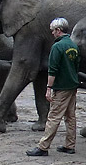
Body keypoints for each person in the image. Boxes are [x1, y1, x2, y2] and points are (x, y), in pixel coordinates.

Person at [26, 17, 80, 157]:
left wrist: (49, 88)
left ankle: (43, 147)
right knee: (70, 117)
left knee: (53, 117)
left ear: (58, 30)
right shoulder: (73, 45)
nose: (52, 34)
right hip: (72, 86)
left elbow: (52, 69)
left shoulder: (57, 47)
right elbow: (76, 66)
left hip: (61, 87)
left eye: (53, 31)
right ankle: (70, 145)